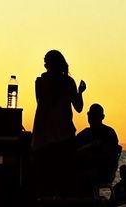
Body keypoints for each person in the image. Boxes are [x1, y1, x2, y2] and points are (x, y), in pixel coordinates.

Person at [31, 50, 86, 197]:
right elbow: (79, 107)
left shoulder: (41, 82)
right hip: (63, 137)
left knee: (46, 183)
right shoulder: (66, 82)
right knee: (63, 182)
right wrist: (79, 92)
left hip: (44, 138)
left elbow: (43, 104)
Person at [76, 103, 120, 194]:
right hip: (85, 170)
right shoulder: (85, 134)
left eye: (95, 115)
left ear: (102, 117)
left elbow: (111, 158)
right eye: (90, 114)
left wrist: (88, 155)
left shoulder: (108, 133)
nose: (92, 117)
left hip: (103, 172)